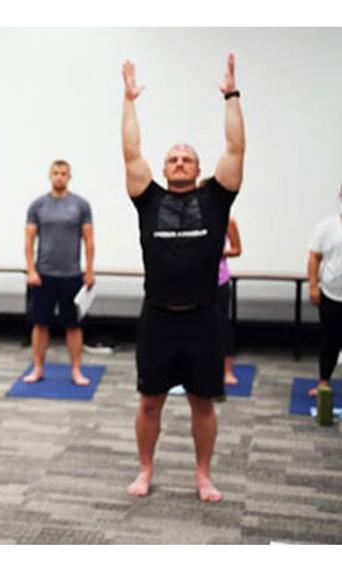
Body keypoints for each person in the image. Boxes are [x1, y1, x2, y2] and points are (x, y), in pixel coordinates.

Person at [121, 54, 245, 503]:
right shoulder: (147, 198)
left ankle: (203, 474)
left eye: (186, 158)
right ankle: (146, 468)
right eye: (172, 157)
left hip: (203, 318)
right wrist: (129, 101)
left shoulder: (216, 198)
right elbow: (131, 151)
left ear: (197, 168)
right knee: (150, 402)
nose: (177, 162)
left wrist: (231, 97)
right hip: (157, 318)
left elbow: (235, 150)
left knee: (202, 403)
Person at [23, 160, 95, 385]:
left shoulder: (81, 205)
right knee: (40, 324)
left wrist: (89, 271)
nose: (59, 177)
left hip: (72, 275)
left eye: (63, 173)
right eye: (55, 173)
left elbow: (89, 240)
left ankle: (76, 370)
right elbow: (29, 240)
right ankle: (37, 368)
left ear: (69, 176)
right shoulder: (38, 205)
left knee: (73, 326)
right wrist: (31, 269)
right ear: (50, 176)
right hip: (43, 275)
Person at [307, 187, 342, 396]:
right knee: (330, 340)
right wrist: (313, 286)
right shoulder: (327, 227)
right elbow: (314, 257)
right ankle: (324, 382)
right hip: (331, 293)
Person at [219, 217, 242, 385]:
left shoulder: (228, 220)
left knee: (222, 326)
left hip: (219, 280)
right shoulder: (193, 217)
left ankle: (227, 371)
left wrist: (218, 252)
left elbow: (236, 249)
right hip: (196, 281)